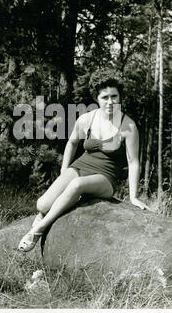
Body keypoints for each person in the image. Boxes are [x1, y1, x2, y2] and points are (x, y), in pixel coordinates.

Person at [18, 75, 149, 252]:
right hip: (81, 166)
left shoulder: (129, 126)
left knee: (77, 185)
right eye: (105, 97)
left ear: (120, 97)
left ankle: (37, 231)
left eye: (114, 97)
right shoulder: (86, 119)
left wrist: (133, 196)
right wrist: (64, 171)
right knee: (41, 205)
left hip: (105, 176)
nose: (110, 102)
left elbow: (133, 163)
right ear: (96, 98)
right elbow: (71, 143)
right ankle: (49, 211)